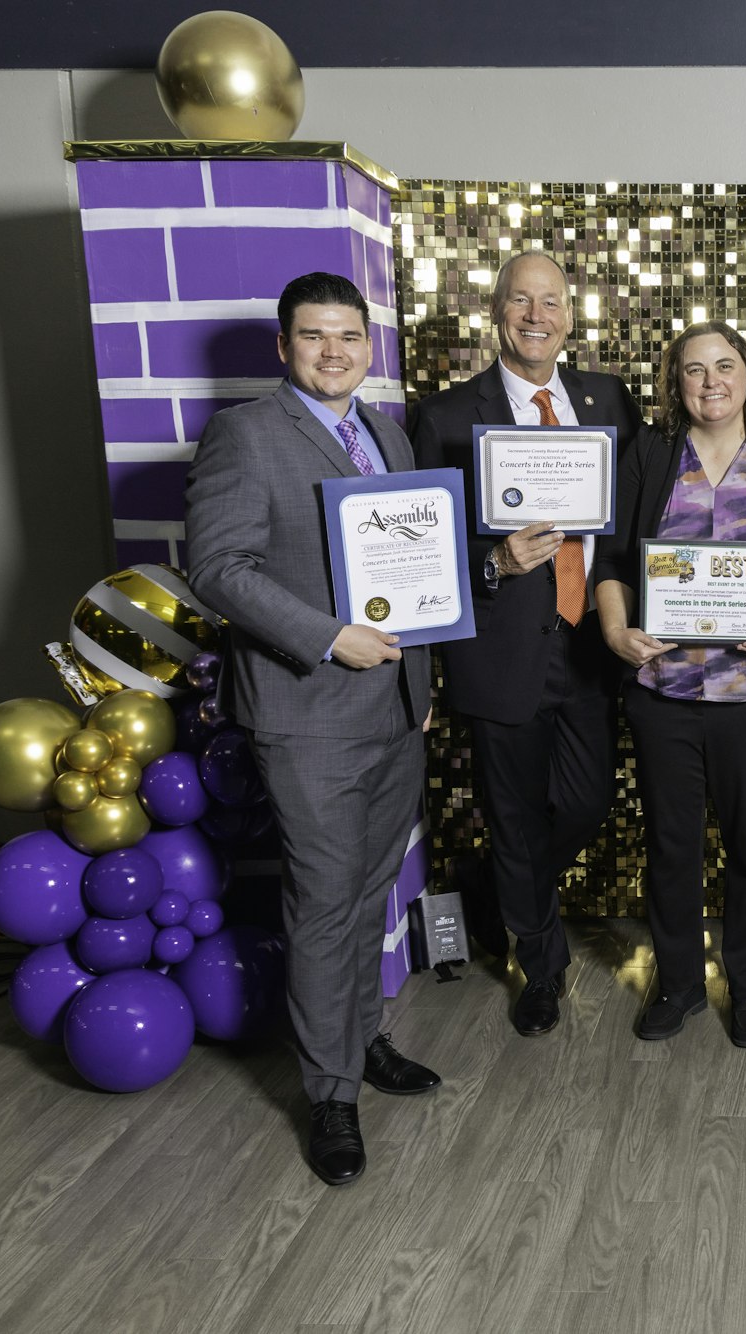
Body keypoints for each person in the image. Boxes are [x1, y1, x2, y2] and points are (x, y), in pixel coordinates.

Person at [185, 272, 438, 1187]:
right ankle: (330, 1096)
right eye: (312, 337)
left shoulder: (388, 432)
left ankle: (362, 1040)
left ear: (368, 344)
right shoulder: (246, 435)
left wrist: (423, 673)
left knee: (369, 892)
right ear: (283, 346)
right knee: (325, 903)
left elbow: (410, 566)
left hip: (394, 710)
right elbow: (216, 567)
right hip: (308, 713)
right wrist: (329, 637)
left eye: (348, 337)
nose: (333, 353)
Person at [410, 251, 642, 1038]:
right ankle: (539, 969)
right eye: (520, 300)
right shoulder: (444, 416)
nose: (535, 315)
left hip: (589, 642)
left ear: (570, 318)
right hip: (501, 649)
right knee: (512, 815)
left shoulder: (608, 398)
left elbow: (639, 510)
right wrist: (494, 560)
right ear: (496, 314)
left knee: (586, 799)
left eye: (550, 302)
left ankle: (495, 887)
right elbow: (422, 551)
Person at [592, 321, 746, 1048]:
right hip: (664, 691)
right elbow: (610, 561)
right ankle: (679, 985)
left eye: (724, 366)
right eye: (693, 370)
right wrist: (613, 633)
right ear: (676, 383)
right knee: (671, 846)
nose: (710, 382)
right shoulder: (653, 450)